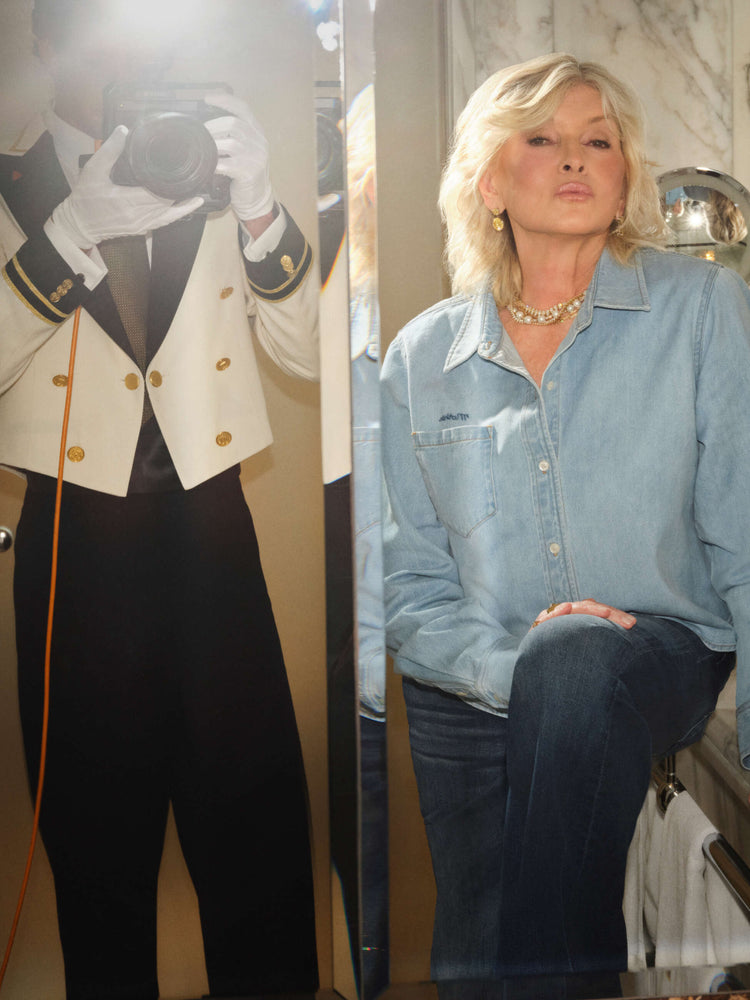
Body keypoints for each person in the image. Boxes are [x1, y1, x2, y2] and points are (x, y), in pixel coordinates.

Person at [381, 52, 750, 981]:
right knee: (473, 940)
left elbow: (745, 518)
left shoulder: (702, 306)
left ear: (626, 175)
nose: (576, 159)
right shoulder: (423, 355)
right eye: (541, 139)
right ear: (489, 178)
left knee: (576, 660)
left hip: (655, 654)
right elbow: (411, 580)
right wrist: (513, 674)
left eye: (599, 141)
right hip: (469, 674)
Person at [0, 2, 319, 997]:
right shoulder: (10, 186)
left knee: (259, 841)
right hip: (73, 548)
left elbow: (310, 354)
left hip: (214, 534)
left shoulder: (210, 169)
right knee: (97, 859)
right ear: (45, 39)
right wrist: (65, 236)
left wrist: (264, 209)